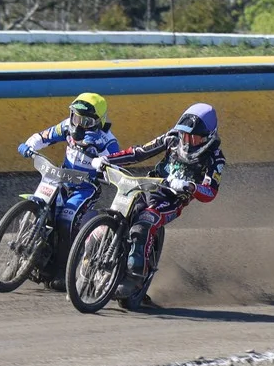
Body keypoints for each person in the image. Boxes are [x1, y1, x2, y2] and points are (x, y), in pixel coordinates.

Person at [91, 102, 225, 277]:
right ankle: (86, 263)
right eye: (184, 134)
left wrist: (190, 186)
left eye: (193, 137)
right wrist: (107, 160)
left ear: (208, 137)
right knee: (107, 222)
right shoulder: (172, 138)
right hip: (148, 186)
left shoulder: (216, 159)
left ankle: (136, 277)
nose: (186, 139)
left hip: (174, 199)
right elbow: (139, 152)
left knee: (143, 225)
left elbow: (210, 192)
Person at [17, 92, 120, 289]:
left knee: (66, 220)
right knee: (43, 207)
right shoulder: (66, 125)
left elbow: (115, 164)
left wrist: (100, 162)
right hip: (61, 180)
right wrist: (29, 146)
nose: (79, 124)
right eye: (76, 117)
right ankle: (35, 250)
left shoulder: (106, 140)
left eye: (86, 120)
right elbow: (43, 136)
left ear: (99, 121)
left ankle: (64, 271)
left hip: (86, 187)